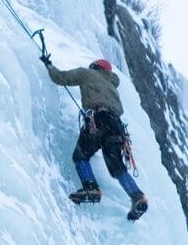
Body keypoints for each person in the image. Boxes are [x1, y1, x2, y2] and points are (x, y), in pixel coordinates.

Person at [40, 55, 149, 221]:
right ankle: (137, 196)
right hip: (117, 126)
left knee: (80, 155)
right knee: (117, 167)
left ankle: (90, 187)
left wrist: (49, 66)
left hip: (98, 120)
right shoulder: (112, 84)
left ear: (95, 67)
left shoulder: (87, 73)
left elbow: (60, 78)